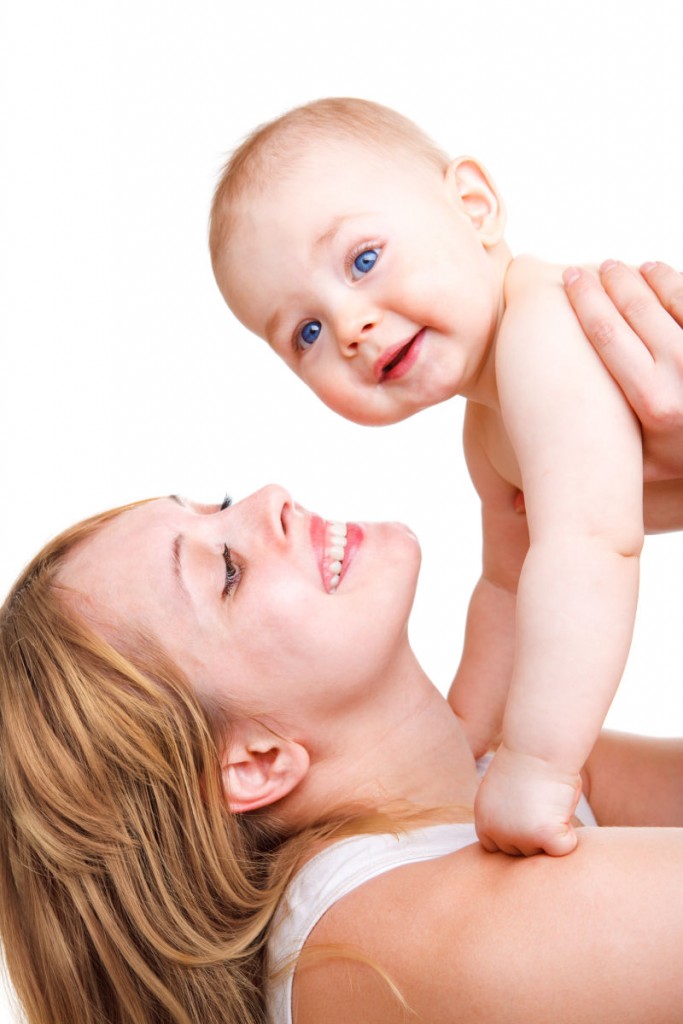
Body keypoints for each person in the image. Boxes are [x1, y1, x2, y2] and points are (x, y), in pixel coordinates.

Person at [2, 485, 683, 1024]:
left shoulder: (500, 782)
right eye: (227, 571)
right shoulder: (395, 945)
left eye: (224, 506)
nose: (272, 498)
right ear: (256, 761)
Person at [208, 97, 683, 855]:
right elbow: (506, 585)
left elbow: (590, 550)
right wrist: (465, 730)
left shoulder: (543, 331)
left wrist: (538, 765)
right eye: (306, 332)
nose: (350, 327)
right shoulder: (485, 424)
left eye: (363, 260)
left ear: (473, 206)